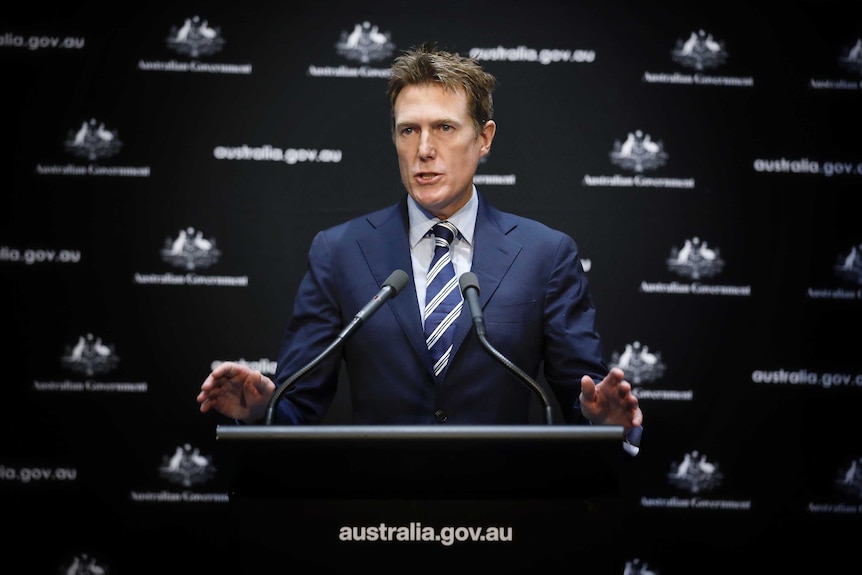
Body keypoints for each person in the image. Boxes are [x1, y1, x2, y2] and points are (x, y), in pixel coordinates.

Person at [196, 42, 643, 453]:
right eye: (408, 130)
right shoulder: (339, 252)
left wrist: (604, 421)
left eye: (444, 127)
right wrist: (261, 411)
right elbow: (299, 404)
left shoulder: (546, 254)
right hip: (375, 510)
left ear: (484, 138)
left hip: (502, 505)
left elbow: (581, 396)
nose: (424, 149)